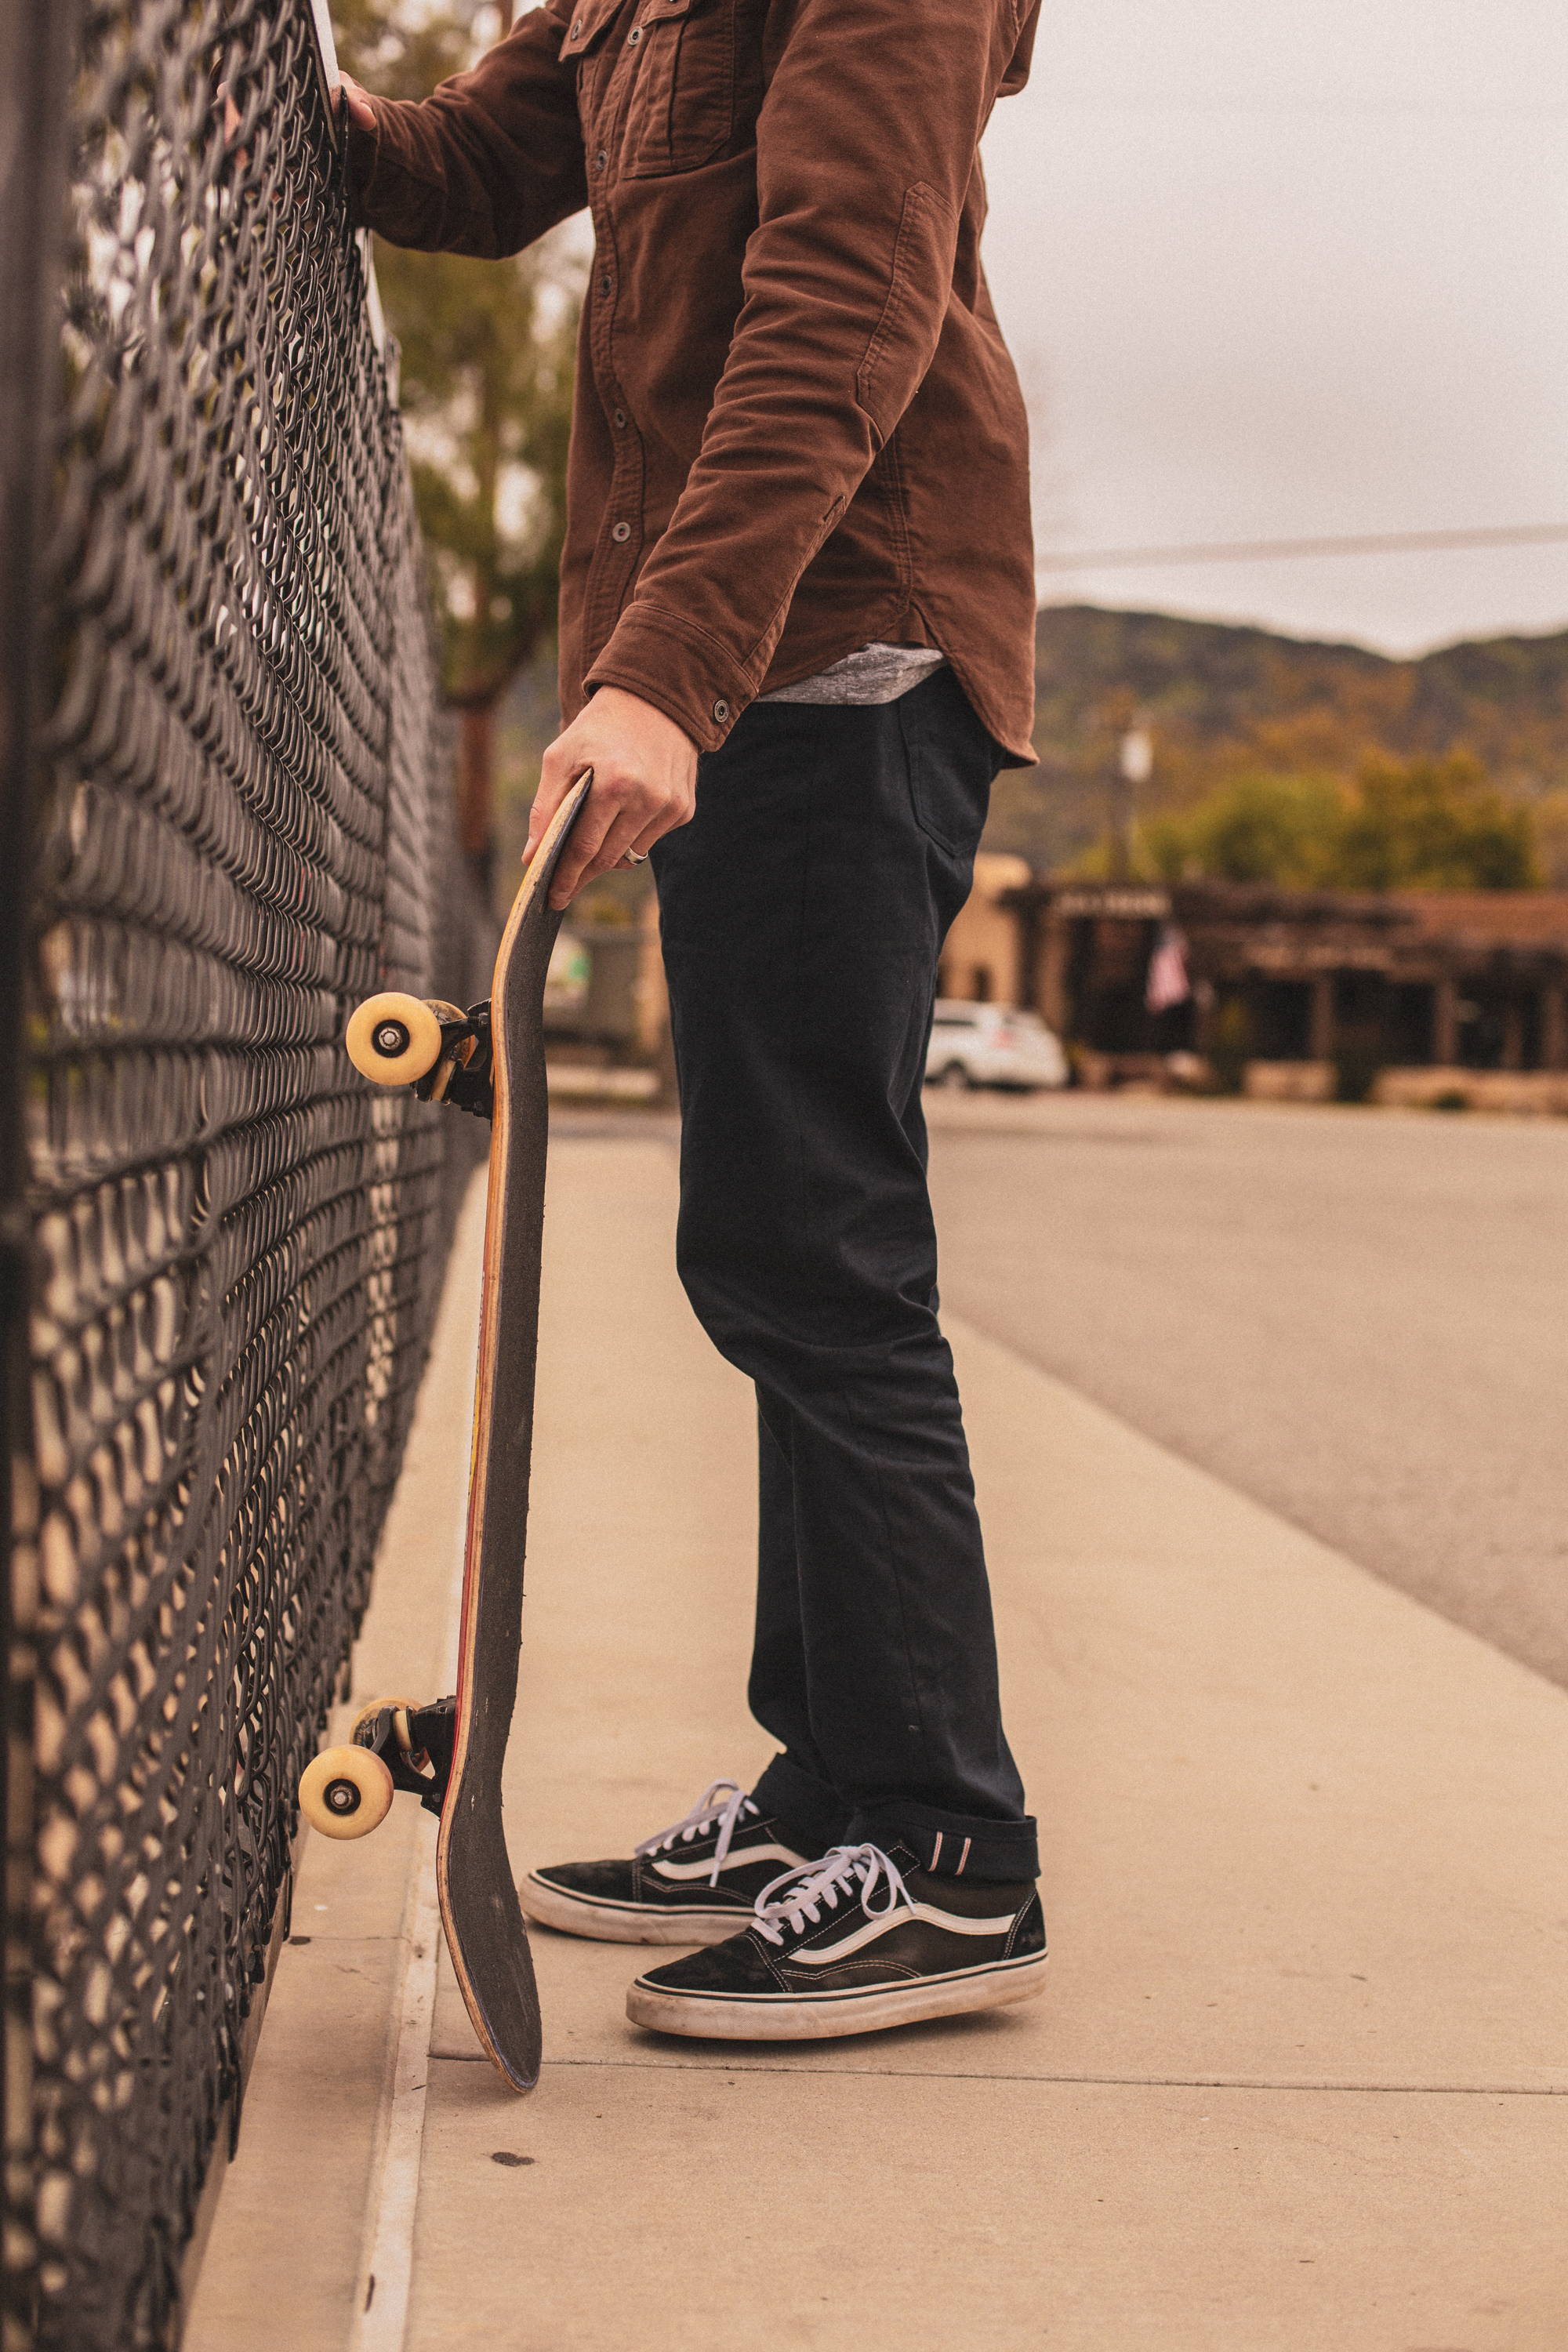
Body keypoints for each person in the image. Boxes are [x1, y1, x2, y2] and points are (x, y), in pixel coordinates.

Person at [339, 0, 1046, 2042]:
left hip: (843, 635)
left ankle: (944, 1841)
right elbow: (479, 165)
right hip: (744, 653)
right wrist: (282, 104)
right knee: (768, 1240)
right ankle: (837, 1777)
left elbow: (847, 295)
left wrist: (670, 673)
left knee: (821, 1246)